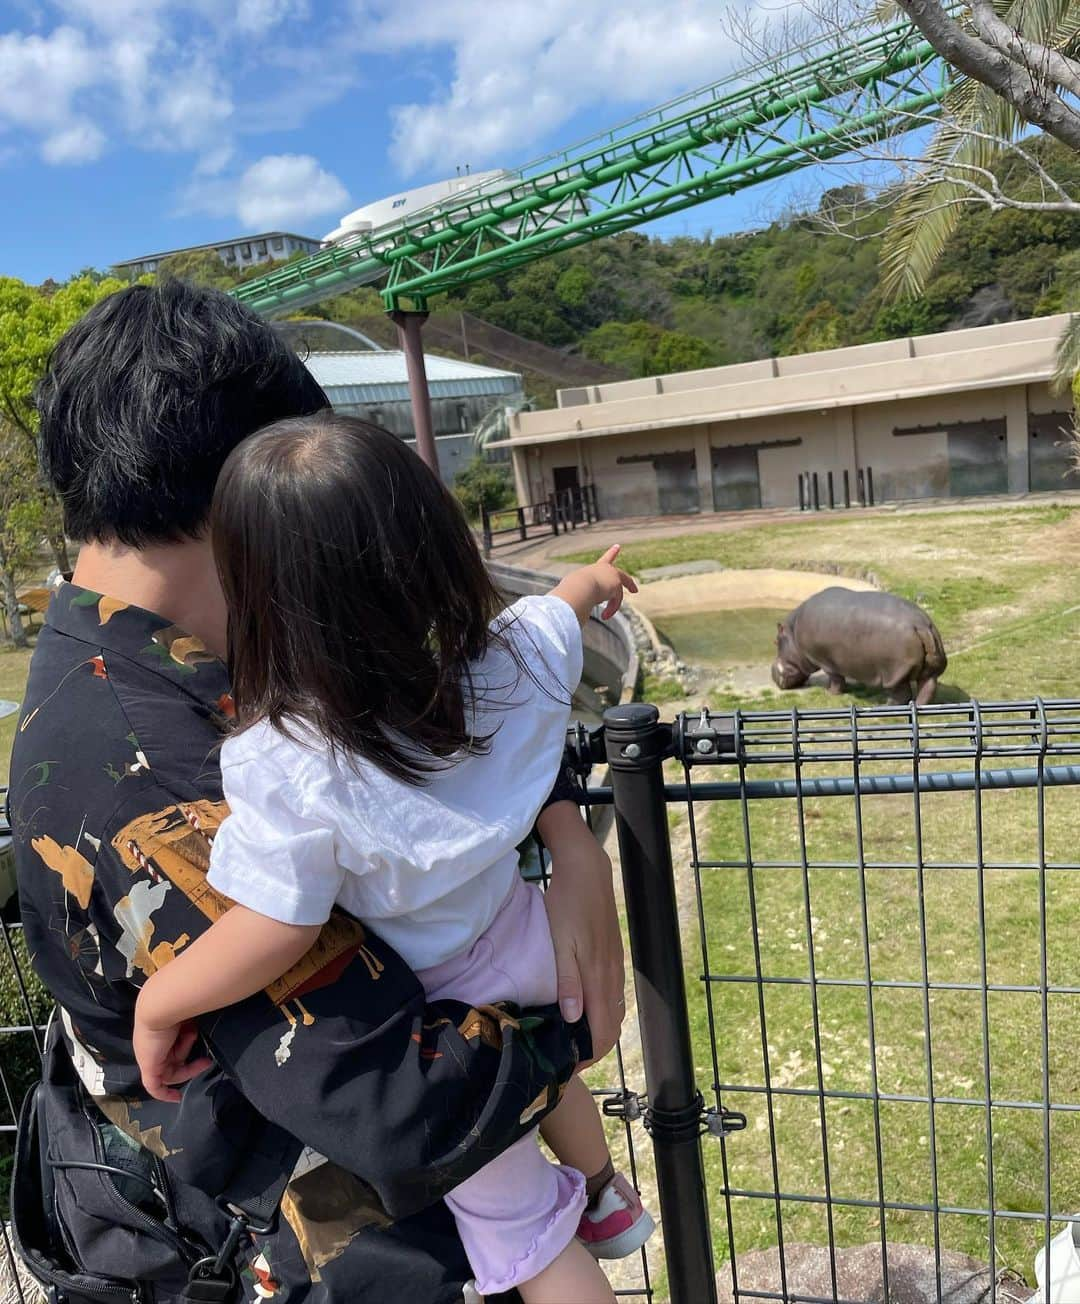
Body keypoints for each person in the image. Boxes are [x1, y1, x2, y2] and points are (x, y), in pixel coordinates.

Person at [10, 281, 626, 1303]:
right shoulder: (153, 764)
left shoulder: (225, 661)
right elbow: (403, 1094)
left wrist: (565, 832)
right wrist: (565, 1015)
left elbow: (423, 721)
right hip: (326, 1251)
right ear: (249, 490)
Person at [130, 415, 652, 1304]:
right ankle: (606, 1193)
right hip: (530, 939)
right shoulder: (505, 660)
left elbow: (275, 923)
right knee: (551, 1068)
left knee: (524, 1239)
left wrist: (160, 1001)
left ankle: (582, 1227)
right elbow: (564, 605)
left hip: (448, 1003)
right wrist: (599, 579)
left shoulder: (285, 758)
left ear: (255, 588)